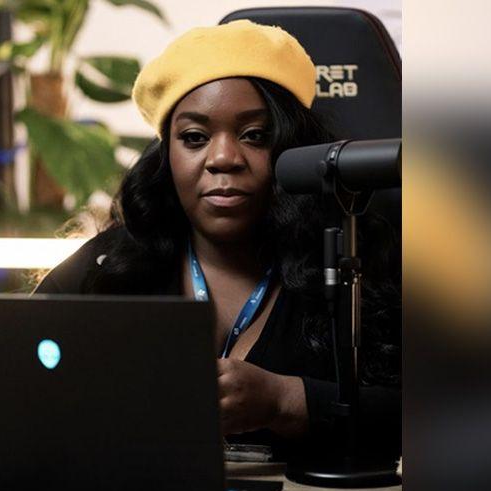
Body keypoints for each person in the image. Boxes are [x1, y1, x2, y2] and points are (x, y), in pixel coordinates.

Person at [35, 20, 400, 460]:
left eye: (254, 136)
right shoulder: (113, 263)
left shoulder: (358, 257)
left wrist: (286, 400)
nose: (224, 158)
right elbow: (15, 372)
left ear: (293, 148)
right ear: (166, 155)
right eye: (194, 138)